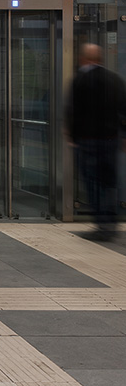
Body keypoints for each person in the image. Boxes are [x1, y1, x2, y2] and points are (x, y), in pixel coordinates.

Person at [66, 43, 126, 241]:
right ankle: (111, 223)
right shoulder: (115, 79)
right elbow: (123, 110)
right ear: (100, 58)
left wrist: (73, 137)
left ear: (83, 59)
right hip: (111, 140)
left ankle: (102, 225)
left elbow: (73, 111)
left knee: (93, 183)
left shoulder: (80, 79)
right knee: (110, 182)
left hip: (88, 141)